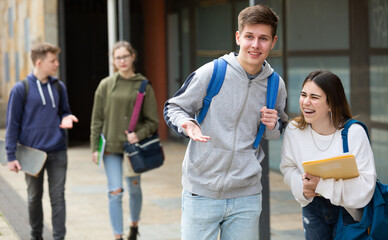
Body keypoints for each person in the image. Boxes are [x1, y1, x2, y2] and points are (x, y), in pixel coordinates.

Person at [163, 4, 287, 240]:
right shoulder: (212, 72)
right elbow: (174, 106)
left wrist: (273, 125)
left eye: (263, 38)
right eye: (249, 36)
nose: (255, 45)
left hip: (246, 196)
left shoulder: (275, 84)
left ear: (273, 42)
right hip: (201, 191)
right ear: (238, 37)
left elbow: (277, 130)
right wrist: (187, 123)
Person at [280, 70, 376, 239]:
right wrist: (301, 186)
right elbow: (288, 168)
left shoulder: (354, 133)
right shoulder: (294, 131)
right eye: (303, 95)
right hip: (312, 207)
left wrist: (321, 185)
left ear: (331, 104)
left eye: (314, 97)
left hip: (348, 209)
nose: (306, 102)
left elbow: (366, 186)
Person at [5, 42, 78, 240]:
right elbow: (12, 124)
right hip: (32, 155)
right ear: (39, 62)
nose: (56, 64)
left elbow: (65, 111)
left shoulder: (59, 87)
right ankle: (36, 236)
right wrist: (10, 155)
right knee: (33, 198)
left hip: (58, 151)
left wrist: (67, 117)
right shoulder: (21, 89)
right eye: (52, 61)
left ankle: (58, 238)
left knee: (58, 198)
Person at [90, 41, 159, 240]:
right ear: (113, 61)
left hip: (133, 148)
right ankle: (118, 236)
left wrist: (139, 133)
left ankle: (134, 225)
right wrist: (95, 147)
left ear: (132, 57)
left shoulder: (143, 84)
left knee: (134, 188)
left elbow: (153, 121)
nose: (122, 61)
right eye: (118, 57)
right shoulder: (106, 85)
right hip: (110, 146)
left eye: (125, 56)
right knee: (115, 192)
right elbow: (97, 119)